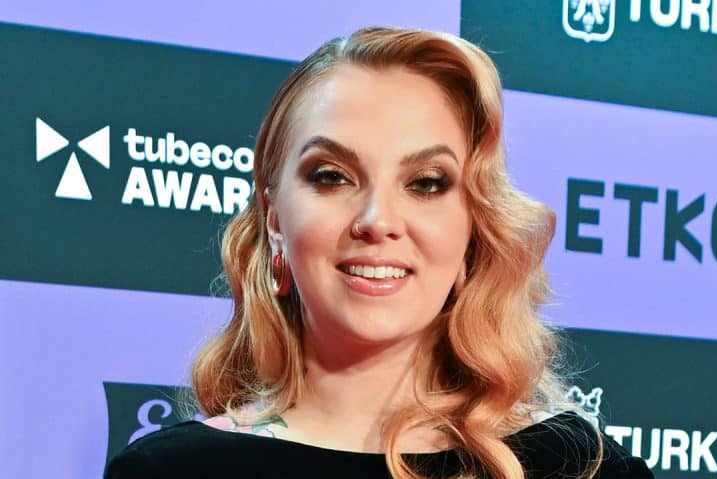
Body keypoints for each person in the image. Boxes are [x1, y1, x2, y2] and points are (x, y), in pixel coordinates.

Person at [104, 26, 654, 479]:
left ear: (472, 228)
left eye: (427, 183)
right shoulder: (170, 471)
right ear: (274, 221)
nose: (377, 221)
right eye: (332, 176)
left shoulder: (579, 469)